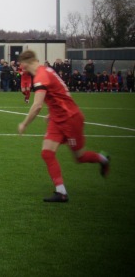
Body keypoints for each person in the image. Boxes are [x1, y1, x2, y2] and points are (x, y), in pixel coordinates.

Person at [17, 50, 110, 203]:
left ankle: (103, 159)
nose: (21, 67)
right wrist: (53, 113)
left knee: (79, 157)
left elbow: (37, 106)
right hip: (57, 119)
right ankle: (61, 192)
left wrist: (24, 124)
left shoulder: (41, 76)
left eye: (21, 64)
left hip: (70, 119)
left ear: (26, 62)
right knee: (47, 153)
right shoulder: (47, 71)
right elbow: (60, 93)